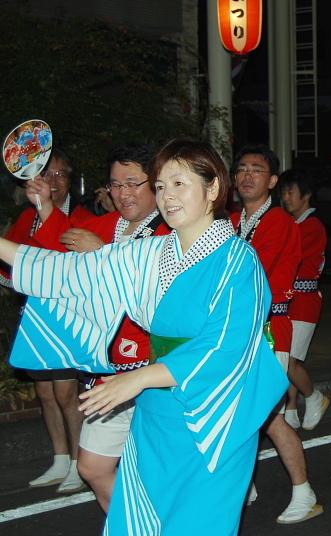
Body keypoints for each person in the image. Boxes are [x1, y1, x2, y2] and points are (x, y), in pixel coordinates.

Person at [2, 138, 288, 534]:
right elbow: (75, 273)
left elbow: (225, 347)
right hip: (156, 413)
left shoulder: (239, 259)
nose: (167, 196)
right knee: (140, 523)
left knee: (198, 525)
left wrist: (137, 377)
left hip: (216, 418)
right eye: (161, 186)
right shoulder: (153, 253)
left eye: (179, 184)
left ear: (213, 190)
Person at [35, 144, 170, 512]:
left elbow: (157, 296)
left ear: (155, 184)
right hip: (106, 370)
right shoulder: (107, 225)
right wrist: (45, 205)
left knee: (158, 471)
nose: (123, 193)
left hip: (154, 371)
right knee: (92, 467)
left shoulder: (172, 233)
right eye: (114, 184)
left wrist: (101, 255)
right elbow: (57, 253)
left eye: (132, 183)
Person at [231, 145, 323, 524]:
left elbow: (249, 275)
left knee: (269, 418)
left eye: (257, 170)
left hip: (270, 330)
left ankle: (305, 492)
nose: (247, 175)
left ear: (271, 181)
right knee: (239, 413)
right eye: (241, 169)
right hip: (239, 329)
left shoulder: (280, 223)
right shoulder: (235, 219)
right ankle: (243, 485)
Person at [1, 147, 93, 493]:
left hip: (69, 319)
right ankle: (58, 457)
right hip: (35, 317)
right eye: (46, 174)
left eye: (60, 175)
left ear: (71, 182)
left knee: (67, 393)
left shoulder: (83, 217)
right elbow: (9, 260)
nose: (53, 181)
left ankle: (77, 461)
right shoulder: (27, 218)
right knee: (44, 391)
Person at [280, 168, 331, 431]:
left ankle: (314, 397)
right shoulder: (295, 224)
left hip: (304, 301)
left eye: (291, 192)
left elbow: (289, 255)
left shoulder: (312, 226)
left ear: (306, 195)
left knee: (289, 361)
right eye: (284, 192)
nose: (286, 197)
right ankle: (290, 408)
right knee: (287, 358)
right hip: (286, 302)